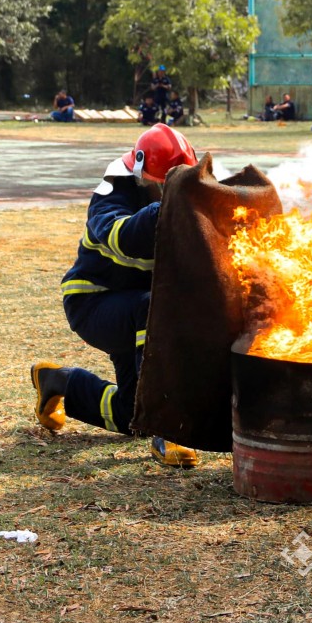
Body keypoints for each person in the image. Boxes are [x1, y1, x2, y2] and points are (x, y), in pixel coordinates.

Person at [32, 123, 201, 468]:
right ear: (141, 174)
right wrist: (165, 206)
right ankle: (167, 428)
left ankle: (57, 380)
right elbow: (120, 236)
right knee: (150, 308)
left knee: (131, 416)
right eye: (166, 184)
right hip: (92, 303)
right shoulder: (111, 193)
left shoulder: (172, 201)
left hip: (133, 313)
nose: (173, 191)